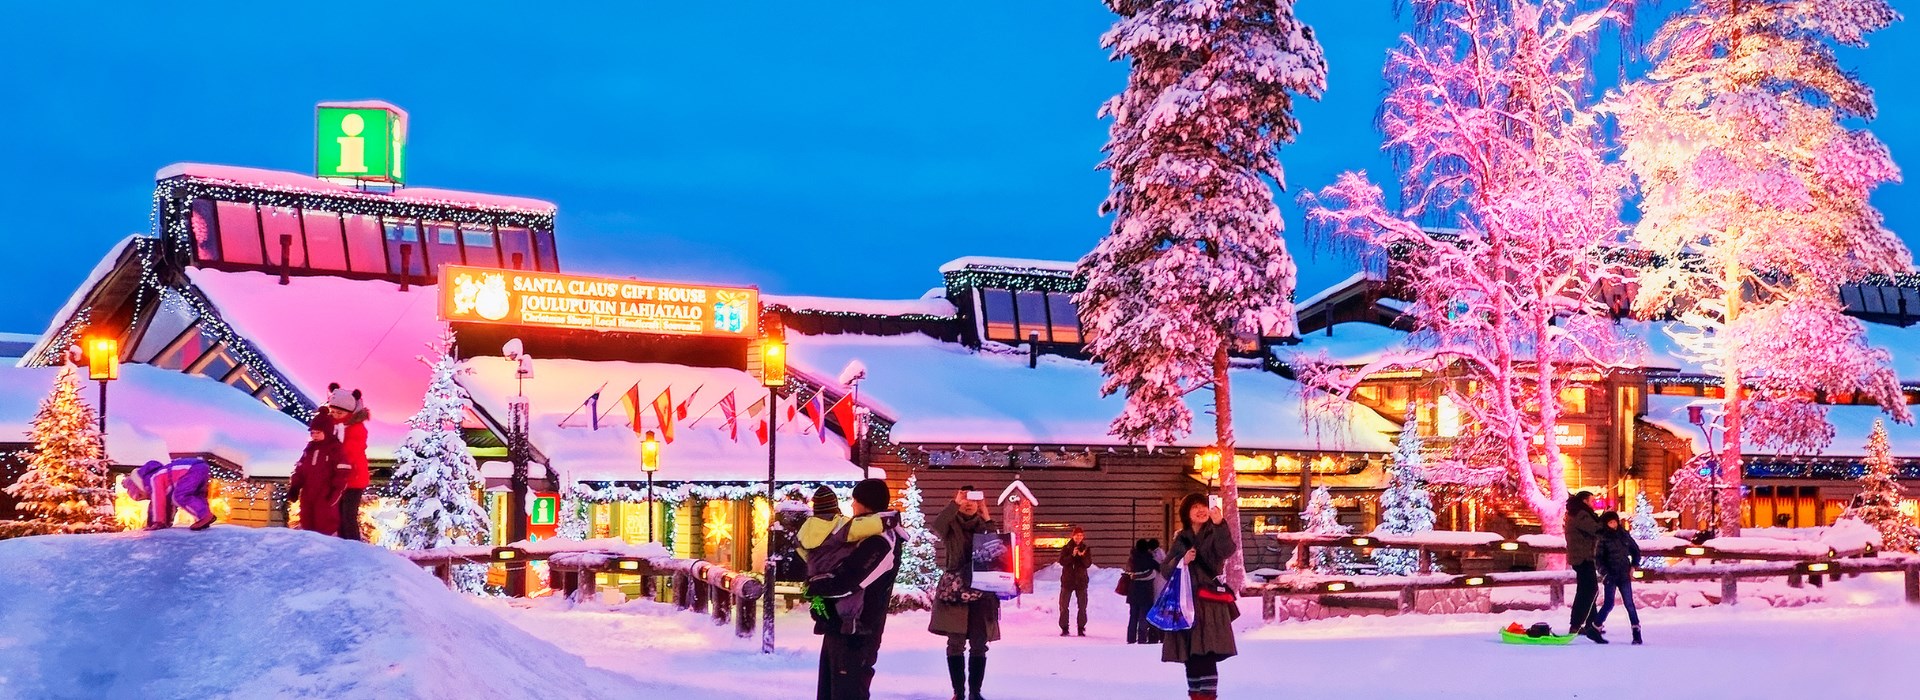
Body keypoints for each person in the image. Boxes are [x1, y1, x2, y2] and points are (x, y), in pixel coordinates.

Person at [807, 479, 904, 700]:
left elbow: (849, 581)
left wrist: (815, 586)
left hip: (858, 632)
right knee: (831, 691)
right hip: (840, 627)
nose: (851, 506)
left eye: (854, 501)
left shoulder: (880, 541)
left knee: (847, 691)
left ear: (865, 504)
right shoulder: (864, 534)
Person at [1162, 493, 1238, 699]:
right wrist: (1182, 561)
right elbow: (1165, 570)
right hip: (1185, 604)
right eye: (1195, 507)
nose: (1201, 510)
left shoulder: (1215, 532)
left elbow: (1227, 550)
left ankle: (1208, 697)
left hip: (1209, 605)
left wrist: (1220, 523)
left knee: (1206, 653)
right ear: (1187, 513)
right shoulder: (1181, 538)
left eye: (1204, 506)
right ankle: (1195, 696)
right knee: (1191, 655)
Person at [930, 486, 1000, 700]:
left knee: (979, 644)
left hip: (982, 591)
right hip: (955, 593)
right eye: (965, 498)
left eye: (974, 499)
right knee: (955, 644)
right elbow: (937, 525)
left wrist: (987, 515)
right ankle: (958, 692)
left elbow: (997, 546)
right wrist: (954, 503)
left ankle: (975, 693)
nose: (969, 502)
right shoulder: (951, 525)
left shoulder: (984, 527)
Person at [327, 384, 372, 541]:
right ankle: (343, 546)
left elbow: (350, 452)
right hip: (338, 479)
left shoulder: (356, 428)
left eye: (339, 412)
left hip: (354, 479)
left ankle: (353, 546)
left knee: (348, 515)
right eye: (332, 412)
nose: (335, 415)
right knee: (337, 515)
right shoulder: (332, 426)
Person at [288, 417, 347, 535]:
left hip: (325, 492)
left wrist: (335, 491)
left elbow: (342, 472)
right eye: (312, 433)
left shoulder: (334, 448)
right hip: (308, 492)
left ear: (327, 431)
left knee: (324, 521)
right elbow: (301, 469)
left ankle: (326, 545)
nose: (314, 435)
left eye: (318, 432)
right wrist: (295, 486)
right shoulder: (309, 449)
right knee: (307, 519)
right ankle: (310, 545)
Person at [123, 457, 216, 530]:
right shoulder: (163, 480)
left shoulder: (154, 479)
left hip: (191, 469)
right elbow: (167, 504)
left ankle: (204, 515)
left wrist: (158, 522)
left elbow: (158, 501)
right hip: (201, 467)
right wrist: (165, 522)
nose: (147, 498)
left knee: (179, 496)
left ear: (140, 487)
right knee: (197, 494)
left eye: (141, 496)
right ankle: (205, 516)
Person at [1593, 511, 1644, 645]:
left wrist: (1634, 565)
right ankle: (1595, 627)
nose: (1613, 525)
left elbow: (1635, 550)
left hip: (1624, 574)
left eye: (1614, 522)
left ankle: (1636, 631)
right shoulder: (1602, 538)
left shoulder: (1623, 535)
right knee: (1609, 604)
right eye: (1610, 523)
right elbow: (1598, 559)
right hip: (1610, 575)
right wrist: (1604, 573)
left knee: (1629, 604)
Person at [1564, 491, 1606, 643]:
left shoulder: (1578, 512)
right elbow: (1595, 529)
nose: (1593, 503)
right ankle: (1576, 624)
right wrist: (1606, 521)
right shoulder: (1581, 514)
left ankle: (1590, 624)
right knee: (1589, 590)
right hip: (1583, 558)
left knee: (1587, 590)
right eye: (1591, 500)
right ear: (1584, 500)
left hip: (1582, 557)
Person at [1057, 525, 1092, 637]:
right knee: (1064, 605)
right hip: (1068, 581)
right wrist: (1072, 555)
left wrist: (1082, 556)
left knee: (1082, 606)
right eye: (1077, 535)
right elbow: (1062, 561)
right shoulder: (1066, 548)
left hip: (1081, 581)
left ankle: (1081, 627)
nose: (1079, 538)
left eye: (1081, 535)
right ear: (1073, 536)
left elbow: (1088, 564)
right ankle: (1064, 627)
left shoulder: (1086, 548)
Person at [1125, 538, 1158, 644]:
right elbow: (1160, 568)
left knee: (1133, 617)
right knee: (1143, 617)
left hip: (1133, 592)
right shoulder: (1149, 559)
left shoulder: (1132, 559)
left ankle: (1130, 638)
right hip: (1146, 593)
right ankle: (1142, 639)